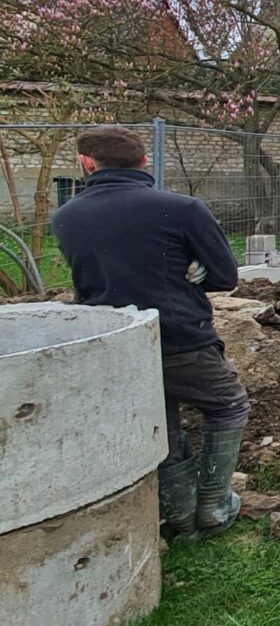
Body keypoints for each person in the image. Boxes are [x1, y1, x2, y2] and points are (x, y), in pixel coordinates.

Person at [50, 126, 248, 537]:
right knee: (227, 404)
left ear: (86, 164)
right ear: (143, 162)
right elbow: (225, 275)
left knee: (161, 424)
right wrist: (197, 272)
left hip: (119, 343)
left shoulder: (66, 217)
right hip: (181, 337)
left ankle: (178, 519)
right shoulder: (182, 209)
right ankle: (212, 505)